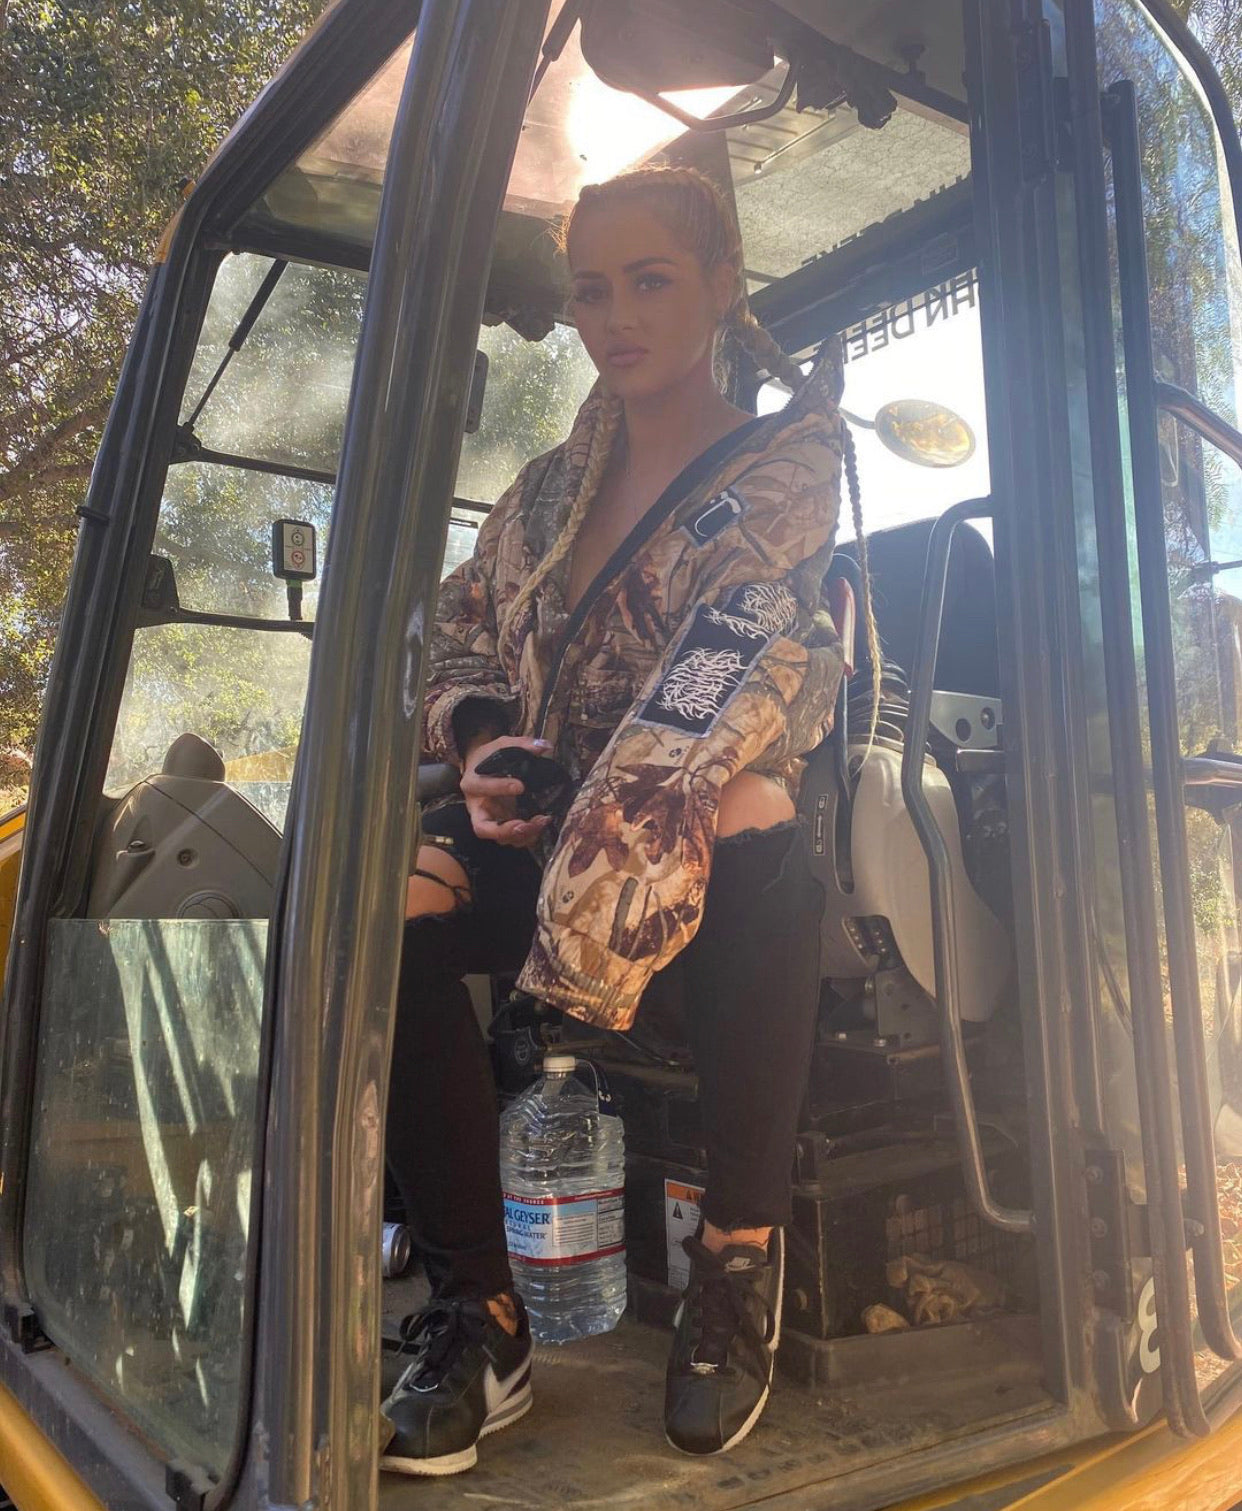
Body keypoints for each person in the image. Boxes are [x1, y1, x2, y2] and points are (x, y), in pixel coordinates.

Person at [380, 165, 881, 1477]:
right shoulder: (542, 494)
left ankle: (736, 1258)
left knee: (756, 807)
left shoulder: (782, 467)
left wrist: (593, 835)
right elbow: (458, 639)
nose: (615, 317)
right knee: (384, 911)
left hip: (682, 844)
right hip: (544, 836)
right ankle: (481, 1313)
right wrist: (491, 753)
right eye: (591, 290)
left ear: (721, 286)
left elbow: (727, 662)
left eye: (650, 281)